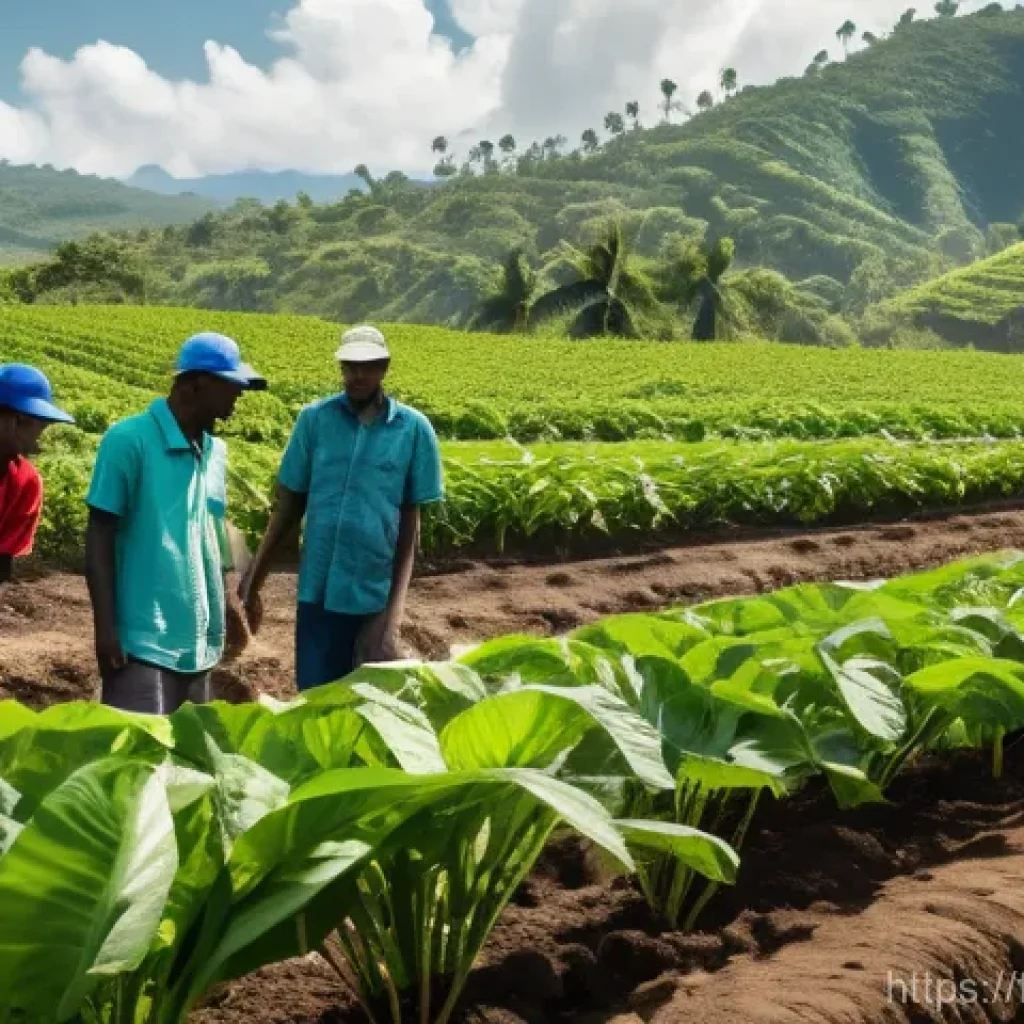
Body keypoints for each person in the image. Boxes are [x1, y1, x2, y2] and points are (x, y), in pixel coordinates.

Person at [238, 325, 444, 691]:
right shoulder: (314, 420)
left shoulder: (413, 430)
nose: (358, 375)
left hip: (372, 595)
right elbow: (288, 506)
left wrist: (391, 615)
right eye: (350, 366)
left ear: (384, 367)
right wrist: (253, 583)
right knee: (315, 697)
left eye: (367, 366)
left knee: (366, 704)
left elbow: (410, 525)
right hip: (318, 592)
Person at [84, 332, 266, 714]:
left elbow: (211, 527)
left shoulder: (215, 451)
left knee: (187, 765)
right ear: (197, 383)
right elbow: (100, 534)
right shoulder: (128, 440)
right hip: (143, 639)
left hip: (199, 640)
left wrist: (240, 589)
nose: (239, 394)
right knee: (139, 761)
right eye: (231, 385)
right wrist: (106, 628)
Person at [0, 364, 74, 586]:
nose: (42, 432)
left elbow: (2, 564)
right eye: (40, 423)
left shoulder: (25, 482)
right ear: (16, 421)